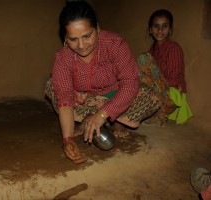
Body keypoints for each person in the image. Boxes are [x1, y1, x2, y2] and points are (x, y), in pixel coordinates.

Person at [44, 0, 162, 164]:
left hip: (117, 97)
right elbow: (64, 97)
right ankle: (91, 119)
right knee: (53, 86)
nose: (81, 45)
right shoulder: (63, 57)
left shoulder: (114, 44)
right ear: (65, 37)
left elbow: (129, 83)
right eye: (73, 39)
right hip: (86, 101)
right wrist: (68, 140)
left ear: (97, 28)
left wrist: (102, 114)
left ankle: (113, 119)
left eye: (87, 36)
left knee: (151, 96)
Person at [147, 9, 192, 125]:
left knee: (143, 60)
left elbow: (174, 80)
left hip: (172, 92)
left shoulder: (174, 48)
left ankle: (159, 111)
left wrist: (153, 88)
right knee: (143, 60)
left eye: (164, 26)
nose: (160, 30)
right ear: (150, 30)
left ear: (170, 30)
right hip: (158, 89)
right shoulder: (152, 51)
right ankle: (152, 111)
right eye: (156, 26)